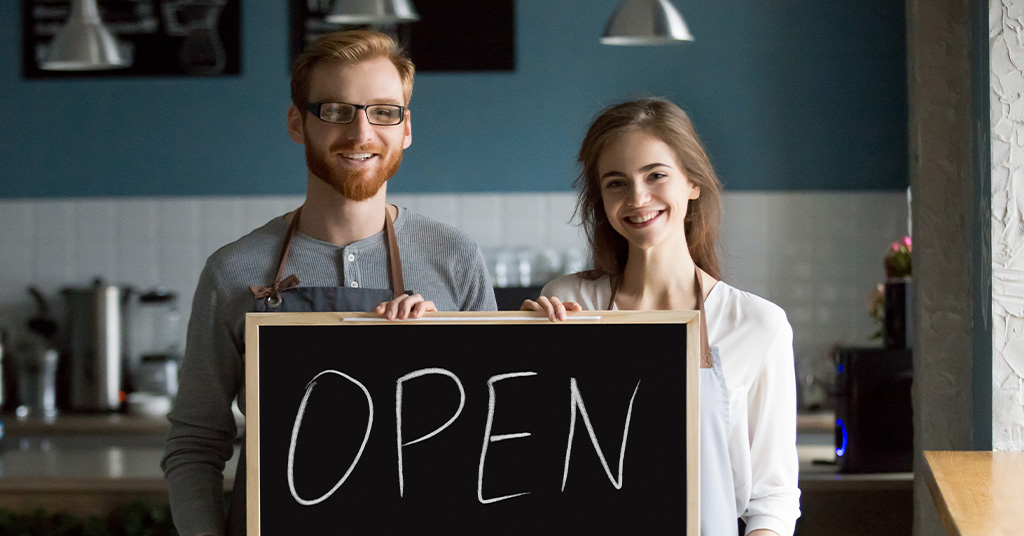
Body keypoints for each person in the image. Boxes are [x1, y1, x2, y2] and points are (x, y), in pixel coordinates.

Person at [161, 30, 497, 536]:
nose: (362, 133)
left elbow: (495, 431)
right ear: (298, 123)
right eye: (337, 110)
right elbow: (195, 442)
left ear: (405, 129)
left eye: (384, 111)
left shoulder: (456, 259)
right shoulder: (234, 271)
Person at [523, 98, 800, 535]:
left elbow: (773, 499)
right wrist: (524, 352)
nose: (637, 198)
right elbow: (538, 467)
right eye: (617, 183)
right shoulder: (569, 302)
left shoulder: (757, 325)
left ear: (692, 182)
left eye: (656, 175)